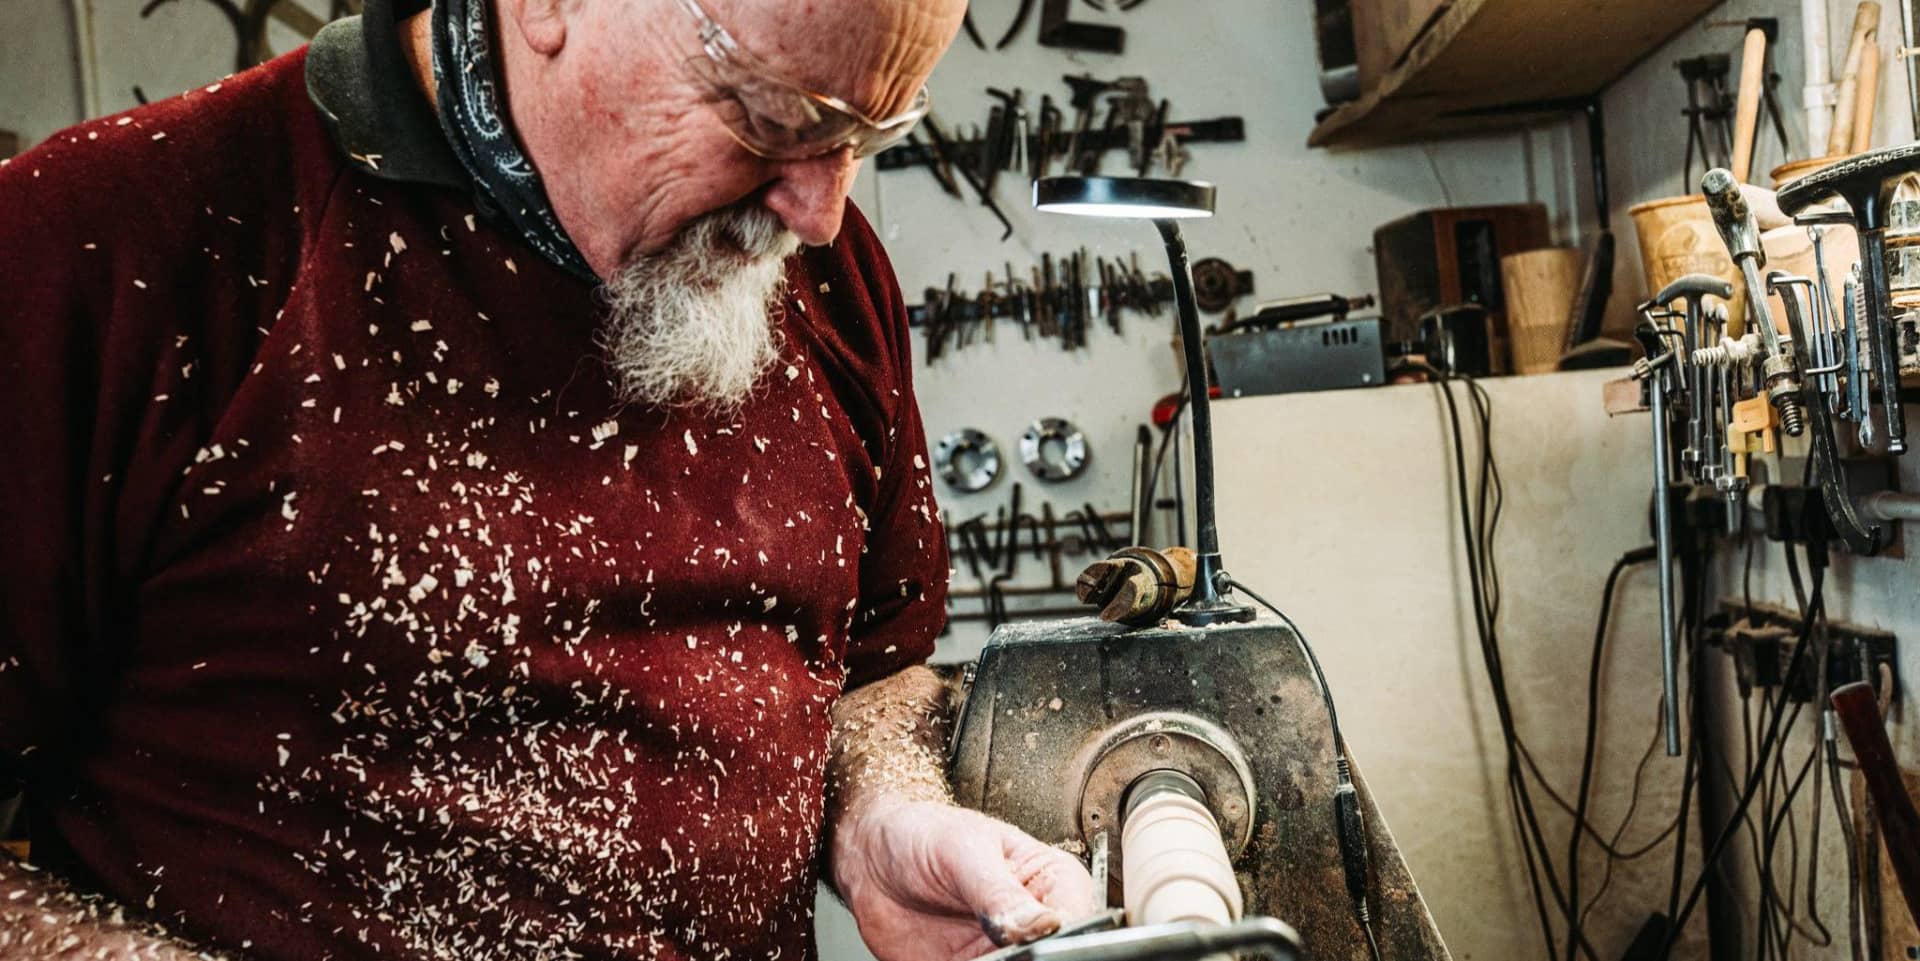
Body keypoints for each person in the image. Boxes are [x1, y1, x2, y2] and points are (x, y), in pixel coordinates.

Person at [0, 0, 1097, 957]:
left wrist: (885, 817)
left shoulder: (825, 272)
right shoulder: (108, 246)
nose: (819, 209)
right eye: (771, 117)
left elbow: (874, 673)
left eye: (870, 134)